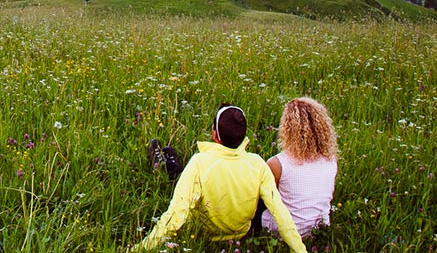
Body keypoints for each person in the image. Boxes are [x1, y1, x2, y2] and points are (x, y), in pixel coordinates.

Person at [133, 105, 306, 253]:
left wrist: (140, 248)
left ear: (215, 135)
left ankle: (165, 161)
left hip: (204, 233)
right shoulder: (257, 163)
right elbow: (280, 212)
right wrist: (300, 249)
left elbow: (176, 215)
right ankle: (168, 158)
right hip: (241, 233)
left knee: (177, 174)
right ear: (244, 136)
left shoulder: (199, 162)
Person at [260, 97, 338, 238]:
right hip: (319, 230)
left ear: (288, 128)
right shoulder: (330, 160)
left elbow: (266, 200)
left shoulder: (278, 164)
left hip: (284, 232)